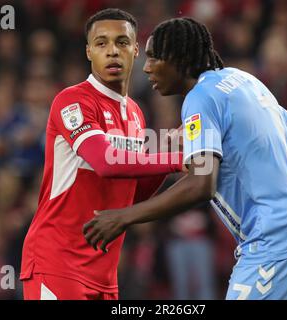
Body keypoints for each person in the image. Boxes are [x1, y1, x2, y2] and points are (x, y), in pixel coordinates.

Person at [83, 17, 287, 300]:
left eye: (155, 58)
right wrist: (267, 181)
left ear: (178, 58)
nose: (147, 68)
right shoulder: (243, 79)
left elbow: (201, 184)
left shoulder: (199, 98)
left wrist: (124, 218)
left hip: (278, 238)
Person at [20, 9, 183, 300]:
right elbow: (106, 162)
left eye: (121, 42)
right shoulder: (72, 100)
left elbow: (132, 195)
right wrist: (176, 160)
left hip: (104, 274)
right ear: (88, 51)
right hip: (57, 264)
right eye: (101, 43)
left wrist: (168, 152)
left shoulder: (135, 113)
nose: (112, 52)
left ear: (136, 49)